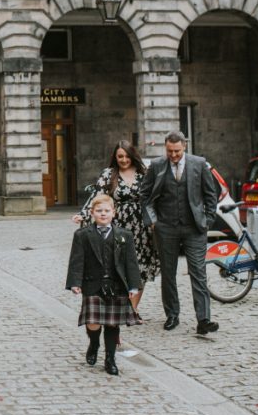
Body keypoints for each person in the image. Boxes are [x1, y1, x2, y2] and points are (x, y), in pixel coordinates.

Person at [137, 131, 219, 336]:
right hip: (165, 228)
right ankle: (172, 315)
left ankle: (203, 319)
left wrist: (207, 221)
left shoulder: (199, 164)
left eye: (177, 151)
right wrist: (153, 221)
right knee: (168, 273)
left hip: (194, 228)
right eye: (169, 151)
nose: (173, 155)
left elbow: (211, 195)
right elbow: (144, 195)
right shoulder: (156, 166)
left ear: (185, 146)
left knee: (198, 273)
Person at [73, 141, 159, 303]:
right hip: (118, 225)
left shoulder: (144, 173)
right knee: (118, 265)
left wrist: (157, 219)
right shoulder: (108, 174)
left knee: (139, 268)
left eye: (127, 156)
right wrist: (84, 214)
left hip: (141, 228)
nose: (124, 159)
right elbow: (97, 197)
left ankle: (132, 309)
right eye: (120, 156)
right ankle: (120, 303)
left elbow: (154, 198)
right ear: (115, 157)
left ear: (133, 156)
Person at [65, 194, 142, 376]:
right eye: (99, 211)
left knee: (112, 324)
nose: (103, 214)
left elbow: (131, 263)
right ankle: (94, 343)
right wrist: (75, 283)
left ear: (113, 213)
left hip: (116, 285)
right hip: (92, 284)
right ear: (92, 213)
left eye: (107, 211)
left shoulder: (125, 235)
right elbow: (77, 261)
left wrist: (133, 286)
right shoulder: (82, 235)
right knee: (92, 322)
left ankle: (110, 359)